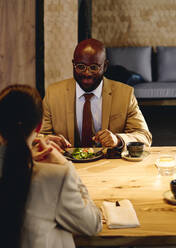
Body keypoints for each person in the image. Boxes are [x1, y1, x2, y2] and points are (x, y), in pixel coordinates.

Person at [0, 85, 102, 248]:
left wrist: (25, 154)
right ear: (39, 126)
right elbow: (93, 225)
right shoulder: (55, 178)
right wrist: (66, 167)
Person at [41, 38, 152, 149]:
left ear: (105, 67)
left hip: (109, 163)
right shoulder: (53, 94)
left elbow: (144, 136)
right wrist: (47, 141)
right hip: (68, 163)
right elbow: (38, 137)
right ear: (73, 64)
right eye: (80, 67)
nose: (87, 73)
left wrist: (118, 140)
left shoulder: (125, 94)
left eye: (94, 68)